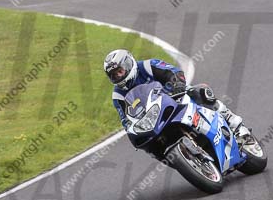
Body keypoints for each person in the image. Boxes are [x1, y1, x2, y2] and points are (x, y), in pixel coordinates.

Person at [103, 48, 255, 147]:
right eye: (114, 75)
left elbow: (173, 72)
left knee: (201, 91)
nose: (118, 76)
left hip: (173, 98)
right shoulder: (118, 95)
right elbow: (125, 119)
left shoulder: (148, 66)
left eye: (120, 71)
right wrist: (131, 130)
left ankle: (236, 126)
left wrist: (177, 85)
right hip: (153, 119)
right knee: (149, 145)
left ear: (128, 64)